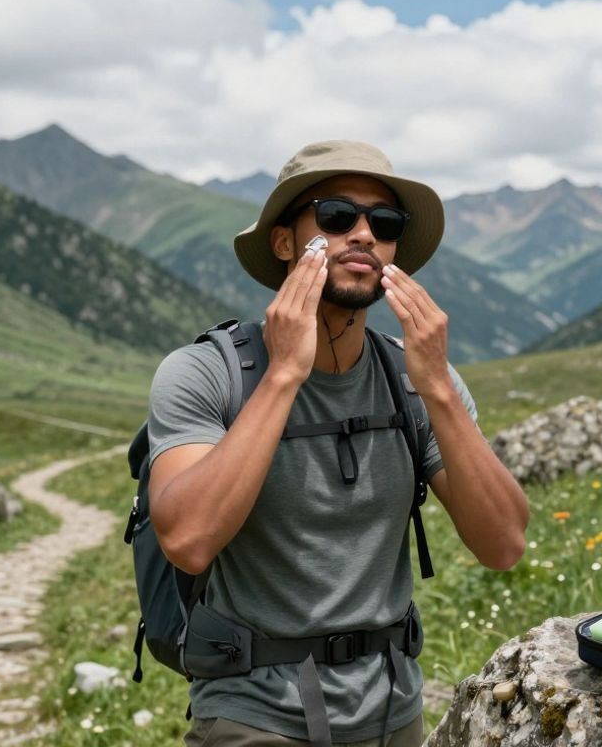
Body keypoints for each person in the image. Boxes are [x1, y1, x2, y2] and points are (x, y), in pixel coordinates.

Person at [146, 139, 528, 747]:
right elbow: (187, 541)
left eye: (384, 221)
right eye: (335, 216)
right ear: (284, 242)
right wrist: (282, 377)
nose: (363, 234)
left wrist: (441, 393)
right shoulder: (207, 373)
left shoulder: (418, 383)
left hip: (394, 712)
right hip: (253, 715)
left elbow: (504, 544)